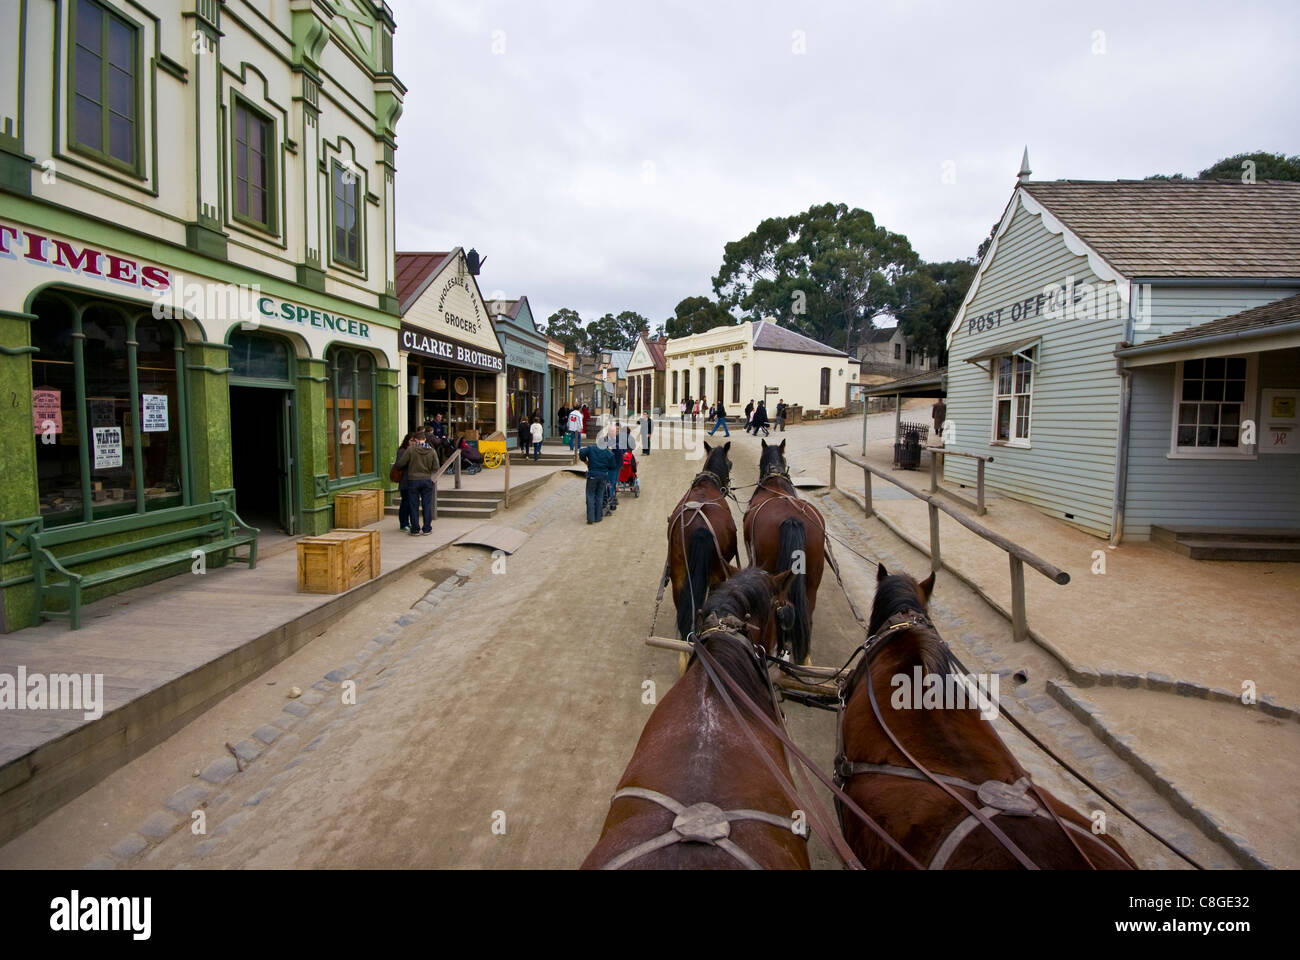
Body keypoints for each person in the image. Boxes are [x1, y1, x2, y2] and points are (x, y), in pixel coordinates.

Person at [395, 428, 439, 536]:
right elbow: (436, 467)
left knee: (413, 505)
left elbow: (400, 464)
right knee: (427, 505)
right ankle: (427, 528)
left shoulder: (411, 450)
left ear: (415, 439)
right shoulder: (432, 451)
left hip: (413, 480)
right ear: (425, 439)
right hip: (426, 480)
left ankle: (415, 529)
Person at [578, 441, 615, 523]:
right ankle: (598, 517)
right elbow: (612, 465)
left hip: (592, 475)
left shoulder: (591, 448)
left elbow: (581, 452)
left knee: (590, 495)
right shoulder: (608, 453)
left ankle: (590, 518)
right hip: (603, 476)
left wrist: (585, 461)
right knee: (600, 496)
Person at [394, 432, 414, 531]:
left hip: (412, 480)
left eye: (414, 441)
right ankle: (403, 523)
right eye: (411, 441)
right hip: (405, 480)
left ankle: (408, 522)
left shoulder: (414, 450)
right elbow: (399, 464)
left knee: (411, 503)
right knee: (405, 502)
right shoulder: (402, 451)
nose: (412, 443)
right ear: (407, 441)